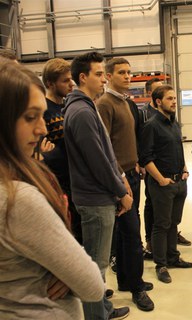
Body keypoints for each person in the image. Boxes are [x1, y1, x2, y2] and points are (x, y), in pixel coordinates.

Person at [0, 58, 104, 319]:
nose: (42, 128)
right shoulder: (18, 199)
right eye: (30, 117)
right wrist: (70, 274)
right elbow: (92, 286)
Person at [63, 51, 132, 320]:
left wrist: (121, 182)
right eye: (99, 74)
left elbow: (105, 153)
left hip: (99, 195)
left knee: (98, 264)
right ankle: (96, 316)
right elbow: (98, 161)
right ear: (83, 77)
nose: (104, 79)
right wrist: (121, 192)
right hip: (95, 199)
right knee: (96, 266)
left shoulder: (86, 105)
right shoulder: (81, 112)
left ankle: (103, 308)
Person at [96, 57, 154, 312]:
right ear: (108, 76)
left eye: (129, 72)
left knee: (125, 231)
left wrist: (138, 163)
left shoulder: (127, 103)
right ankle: (137, 287)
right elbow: (104, 146)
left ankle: (126, 280)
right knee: (131, 233)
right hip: (119, 179)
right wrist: (120, 177)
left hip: (132, 173)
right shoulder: (105, 105)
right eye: (121, 72)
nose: (128, 76)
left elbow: (130, 138)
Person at [140, 85, 192, 283]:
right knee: (161, 224)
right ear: (158, 102)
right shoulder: (151, 126)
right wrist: (160, 179)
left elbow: (179, 149)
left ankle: (173, 257)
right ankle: (161, 264)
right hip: (162, 183)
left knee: (174, 222)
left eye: (174, 98)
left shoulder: (174, 124)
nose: (174, 101)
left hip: (179, 181)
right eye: (169, 98)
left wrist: (184, 169)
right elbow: (145, 157)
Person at [41, 58, 83, 241]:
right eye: (65, 80)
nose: (71, 84)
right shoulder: (43, 110)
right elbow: (40, 149)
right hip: (58, 182)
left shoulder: (68, 106)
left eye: (70, 79)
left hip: (76, 178)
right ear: (50, 83)